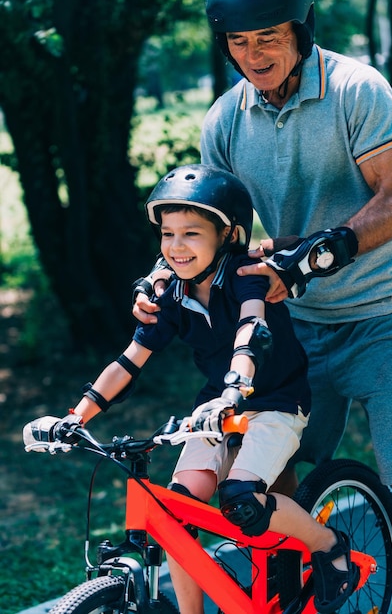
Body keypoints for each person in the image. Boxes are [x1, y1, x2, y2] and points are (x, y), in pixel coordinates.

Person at [133, 0, 392, 518]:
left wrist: (313, 255)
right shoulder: (225, 119)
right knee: (276, 470)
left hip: (381, 313)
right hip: (293, 325)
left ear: (301, 31)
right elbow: (206, 224)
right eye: (238, 41)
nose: (253, 55)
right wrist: (158, 279)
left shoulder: (356, 89)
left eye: (268, 37)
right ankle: (291, 589)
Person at [24, 164, 359, 614]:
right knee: (174, 517)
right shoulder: (171, 294)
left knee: (243, 501)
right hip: (213, 411)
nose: (176, 247)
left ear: (229, 235)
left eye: (191, 234)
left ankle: (329, 546)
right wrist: (74, 418)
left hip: (275, 402)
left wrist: (234, 389)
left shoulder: (247, 276)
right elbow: (128, 362)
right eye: (167, 234)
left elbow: (252, 330)